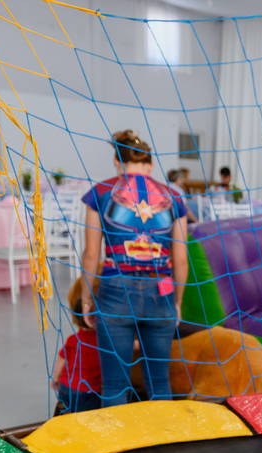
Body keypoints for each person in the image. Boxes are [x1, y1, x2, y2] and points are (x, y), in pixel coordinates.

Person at [79, 130, 189, 406]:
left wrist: (87, 299)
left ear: (117, 162)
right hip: (160, 290)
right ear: (150, 166)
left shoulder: (101, 193)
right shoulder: (174, 198)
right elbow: (181, 258)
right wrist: (176, 302)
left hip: (115, 290)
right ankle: (163, 445)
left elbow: (92, 254)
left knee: (115, 385)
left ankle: (118, 448)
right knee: (159, 382)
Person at [51, 279, 103, 415]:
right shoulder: (103, 340)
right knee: (84, 422)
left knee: (64, 418)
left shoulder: (74, 339)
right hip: (88, 391)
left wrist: (55, 377)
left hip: (66, 386)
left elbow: (61, 359)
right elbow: (131, 346)